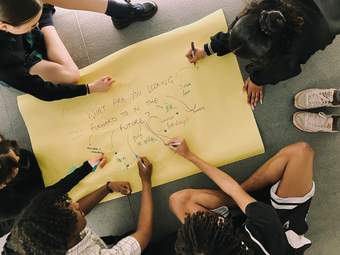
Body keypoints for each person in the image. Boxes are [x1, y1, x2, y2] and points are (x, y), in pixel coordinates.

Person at [168, 137, 315, 254]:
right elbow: (233, 189)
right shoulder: (268, 226)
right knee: (301, 152)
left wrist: (189, 155)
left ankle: (244, 199)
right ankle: (246, 199)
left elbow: (233, 190)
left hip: (250, 224)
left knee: (178, 200)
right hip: (281, 222)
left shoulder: (217, 244)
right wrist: (239, 194)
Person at [186, 0, 337, 109]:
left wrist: (257, 80)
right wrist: (207, 49)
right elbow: (239, 34)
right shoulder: (266, 10)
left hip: (331, 17)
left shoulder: (290, 54)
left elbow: (281, 70)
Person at [0, 0, 157, 101]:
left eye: (35, 23)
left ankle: (122, 12)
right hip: (20, 58)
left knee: (33, 23)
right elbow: (43, 92)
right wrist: (89, 89)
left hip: (17, 35)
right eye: (31, 25)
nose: (33, 29)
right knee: (71, 75)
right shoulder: (6, 63)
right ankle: (45, 18)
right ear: (4, 26)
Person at [5, 156, 153, 255]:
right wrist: (146, 181)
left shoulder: (30, 233)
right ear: (68, 233)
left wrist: (107, 188)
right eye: (73, 211)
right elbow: (144, 234)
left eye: (67, 204)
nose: (76, 204)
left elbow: (69, 215)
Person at [0, 133, 107, 237]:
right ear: (2, 184)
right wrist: (86, 167)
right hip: (19, 209)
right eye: (15, 163)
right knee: (46, 212)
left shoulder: (18, 157)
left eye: (7, 144)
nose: (17, 156)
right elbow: (48, 195)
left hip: (21, 185)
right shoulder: (7, 208)